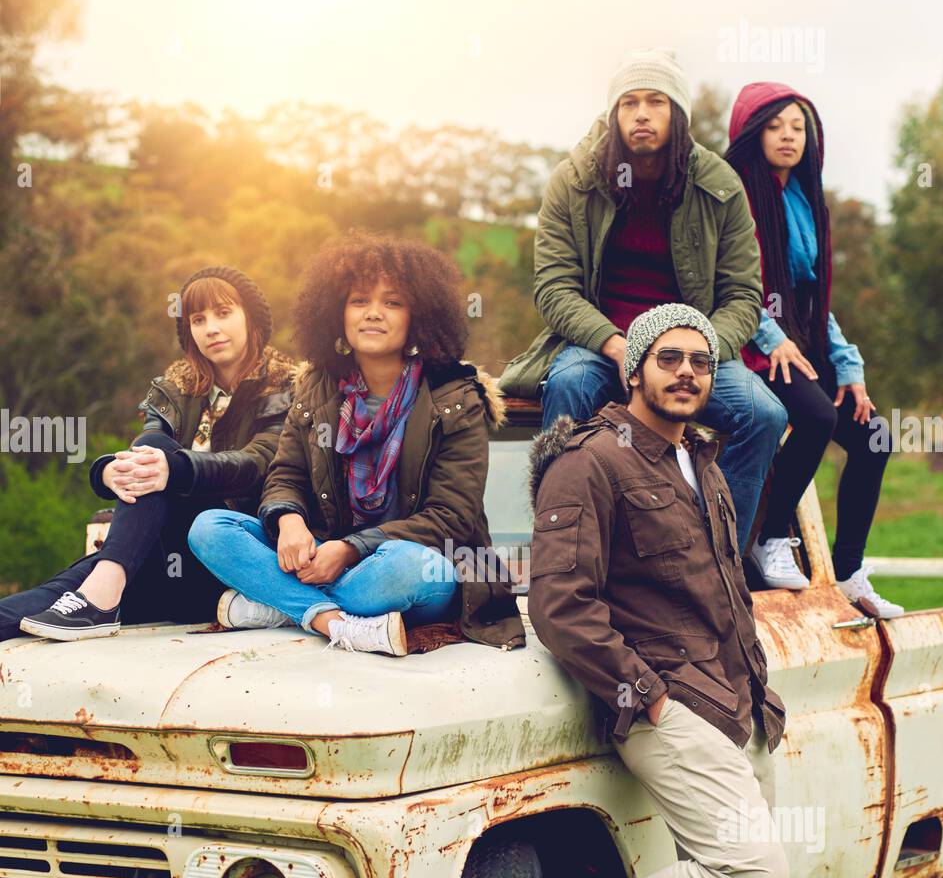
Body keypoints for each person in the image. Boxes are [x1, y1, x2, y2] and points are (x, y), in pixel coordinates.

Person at [526, 302, 801, 878]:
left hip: (738, 703)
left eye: (701, 362)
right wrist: (642, 698)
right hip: (664, 704)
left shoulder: (706, 461)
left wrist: (759, 688)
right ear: (634, 368)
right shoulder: (591, 463)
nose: (687, 373)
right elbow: (561, 604)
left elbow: (725, 592)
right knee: (753, 871)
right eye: (669, 359)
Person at [499, 47, 787, 553]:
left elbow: (743, 293)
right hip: (601, 341)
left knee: (763, 414)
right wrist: (615, 345)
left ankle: (720, 558)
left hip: (688, 349)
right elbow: (554, 286)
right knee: (567, 385)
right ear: (614, 114)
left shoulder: (719, 184)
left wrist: (696, 354)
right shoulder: (574, 179)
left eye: (656, 101)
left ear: (677, 114)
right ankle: (562, 552)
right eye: (629, 102)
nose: (641, 114)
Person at [188, 231, 525, 657]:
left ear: (418, 316)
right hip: (322, 554)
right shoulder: (315, 386)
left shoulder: (456, 398)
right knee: (210, 528)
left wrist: (350, 550)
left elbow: (451, 518)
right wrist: (289, 521)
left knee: (402, 569)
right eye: (360, 300)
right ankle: (329, 619)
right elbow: (286, 474)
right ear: (338, 312)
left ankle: (277, 603)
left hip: (421, 565)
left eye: (393, 302)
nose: (374, 314)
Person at [2, 266, 296, 642]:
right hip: (154, 559)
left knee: (156, 454)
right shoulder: (177, 390)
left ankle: (104, 592)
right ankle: (103, 590)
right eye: (198, 319)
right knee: (26, 609)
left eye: (224, 313)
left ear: (251, 319)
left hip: (228, 556)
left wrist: (175, 469)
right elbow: (145, 448)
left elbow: (257, 462)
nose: (211, 329)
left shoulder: (288, 389)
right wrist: (107, 472)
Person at [725, 82, 901, 617]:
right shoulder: (737, 195)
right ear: (752, 134)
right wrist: (770, 337)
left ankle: (850, 573)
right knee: (816, 416)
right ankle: (769, 537)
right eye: (775, 126)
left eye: (797, 127)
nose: (787, 137)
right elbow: (725, 283)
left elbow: (813, 298)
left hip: (803, 344)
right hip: (753, 344)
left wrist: (848, 365)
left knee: (874, 437)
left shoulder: (805, 200)